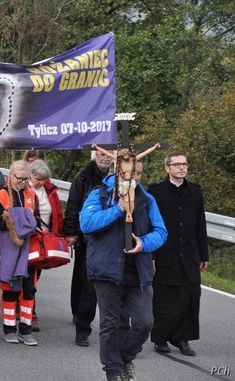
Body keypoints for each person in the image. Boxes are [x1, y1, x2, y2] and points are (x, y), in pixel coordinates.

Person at [80, 167, 168, 381]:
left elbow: (161, 231)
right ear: (117, 172)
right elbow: (87, 224)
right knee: (110, 324)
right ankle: (113, 371)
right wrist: (118, 208)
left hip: (138, 271)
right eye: (129, 172)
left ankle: (124, 358)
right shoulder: (99, 194)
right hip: (106, 270)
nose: (133, 177)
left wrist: (144, 244)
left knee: (144, 322)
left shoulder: (147, 199)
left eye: (138, 173)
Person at [148, 152, 208, 357]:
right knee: (165, 299)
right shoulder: (156, 192)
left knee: (190, 297)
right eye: (177, 164)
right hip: (165, 252)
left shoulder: (195, 192)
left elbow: (201, 224)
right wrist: (152, 255)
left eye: (184, 164)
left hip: (189, 253)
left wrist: (204, 254)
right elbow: (149, 225)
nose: (182, 168)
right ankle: (161, 338)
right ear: (167, 168)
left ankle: (183, 338)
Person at [64, 147, 114, 347]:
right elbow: (73, 204)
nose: (104, 158)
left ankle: (113, 326)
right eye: (101, 154)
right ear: (95, 156)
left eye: (107, 156)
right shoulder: (82, 177)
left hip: (110, 237)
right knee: (83, 277)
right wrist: (70, 231)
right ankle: (79, 315)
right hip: (87, 235)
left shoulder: (117, 178)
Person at [0, 160, 39, 346]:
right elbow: (1, 224)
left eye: (26, 179)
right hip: (8, 247)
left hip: (29, 248)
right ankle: (9, 328)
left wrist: (17, 219)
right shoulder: (1, 195)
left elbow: (36, 220)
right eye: (20, 178)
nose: (23, 182)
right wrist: (26, 220)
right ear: (10, 176)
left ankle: (25, 329)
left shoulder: (32, 194)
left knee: (29, 289)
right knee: (10, 289)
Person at [28, 159, 64, 332]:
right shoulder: (23, 189)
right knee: (28, 276)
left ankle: (28, 310)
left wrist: (61, 236)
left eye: (43, 179)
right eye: (37, 178)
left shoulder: (50, 191)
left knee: (35, 277)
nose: (40, 182)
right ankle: (28, 312)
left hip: (44, 240)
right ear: (30, 175)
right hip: (28, 238)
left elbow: (57, 213)